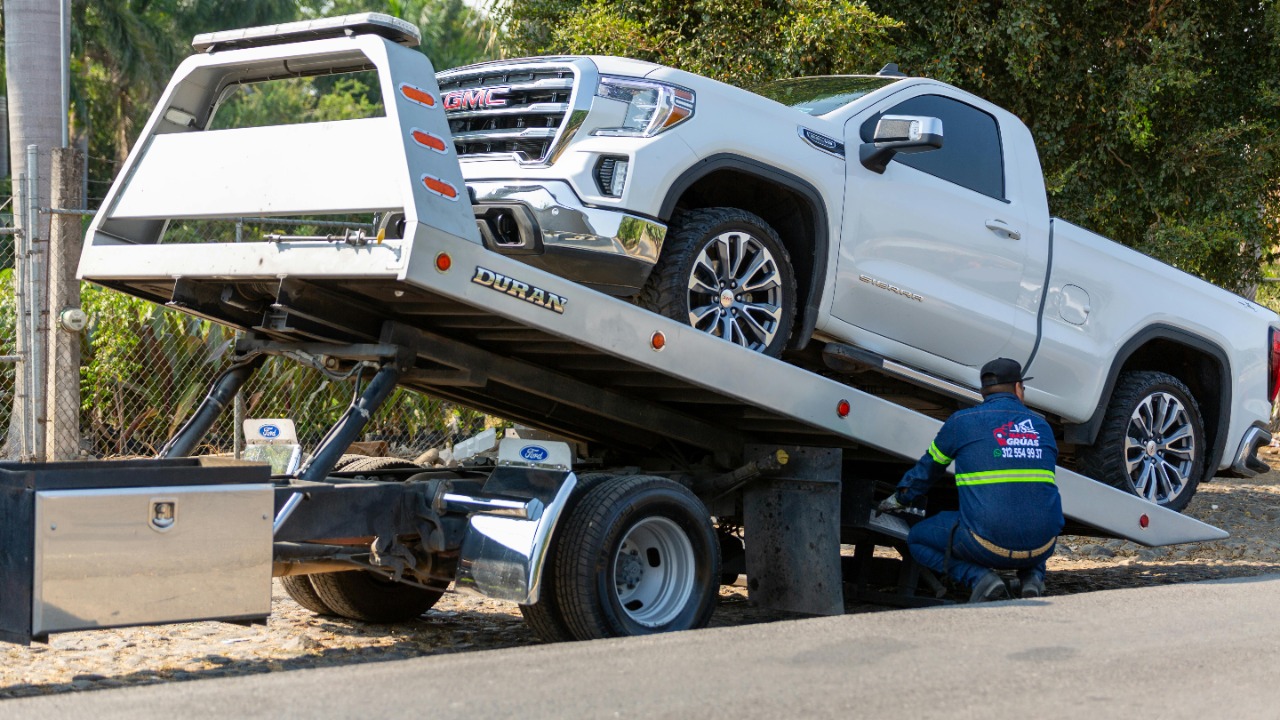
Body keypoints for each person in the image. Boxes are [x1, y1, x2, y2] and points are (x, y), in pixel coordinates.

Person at [877, 357, 1064, 602]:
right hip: (1044, 545)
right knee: (1030, 514)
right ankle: (1033, 579)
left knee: (917, 539)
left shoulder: (961, 423)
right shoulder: (1042, 427)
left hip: (984, 545)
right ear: (1019, 389)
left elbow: (927, 471)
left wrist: (900, 498)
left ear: (983, 391)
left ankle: (980, 579)